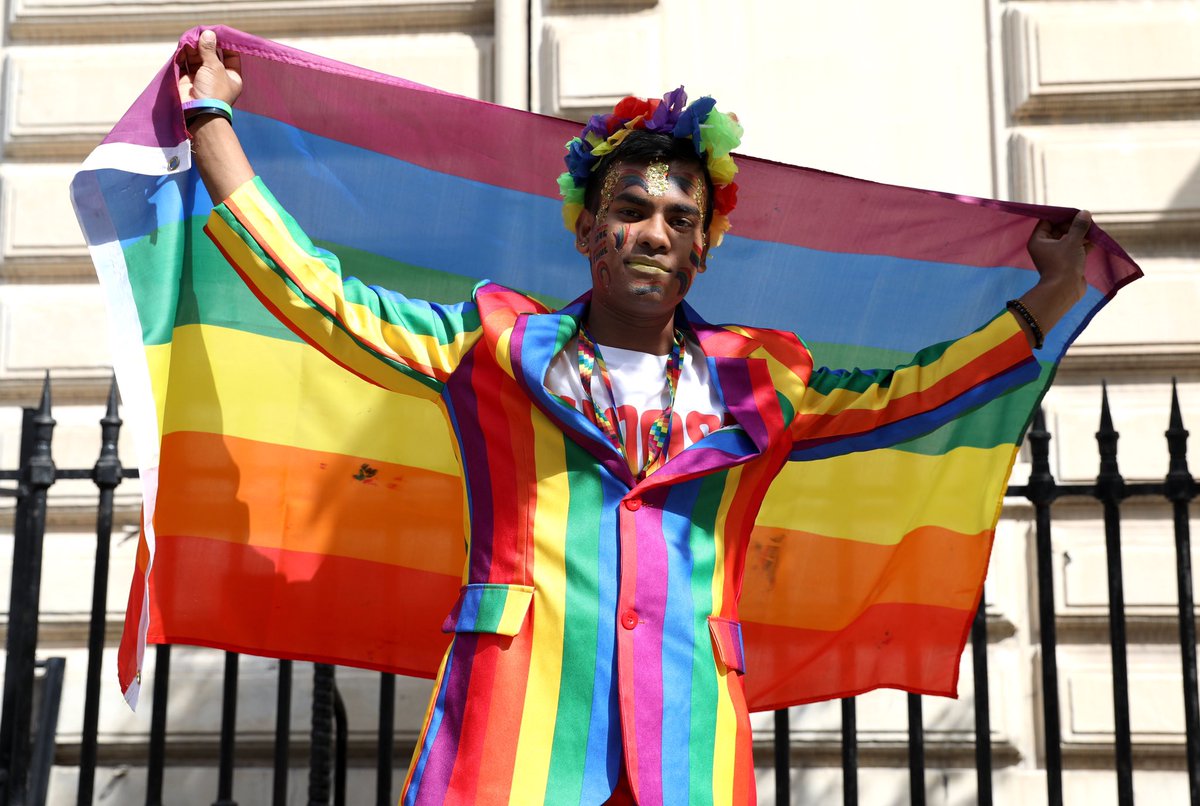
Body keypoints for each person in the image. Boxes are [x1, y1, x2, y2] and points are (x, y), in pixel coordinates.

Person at [180, 29, 1090, 806]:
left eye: (679, 219)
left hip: (688, 750)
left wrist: (1048, 300)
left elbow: (913, 394)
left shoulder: (764, 381)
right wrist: (212, 124)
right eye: (631, 209)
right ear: (586, 229)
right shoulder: (491, 347)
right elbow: (328, 299)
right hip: (514, 735)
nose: (654, 232)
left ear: (703, 250)